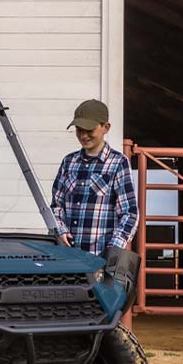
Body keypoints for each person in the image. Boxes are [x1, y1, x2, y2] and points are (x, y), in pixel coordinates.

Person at [51, 99, 138, 256]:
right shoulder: (68, 162)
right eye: (79, 129)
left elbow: (129, 213)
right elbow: (56, 206)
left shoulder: (118, 163)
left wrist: (112, 251)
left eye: (89, 130)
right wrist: (60, 229)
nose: (83, 135)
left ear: (106, 127)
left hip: (100, 258)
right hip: (67, 257)